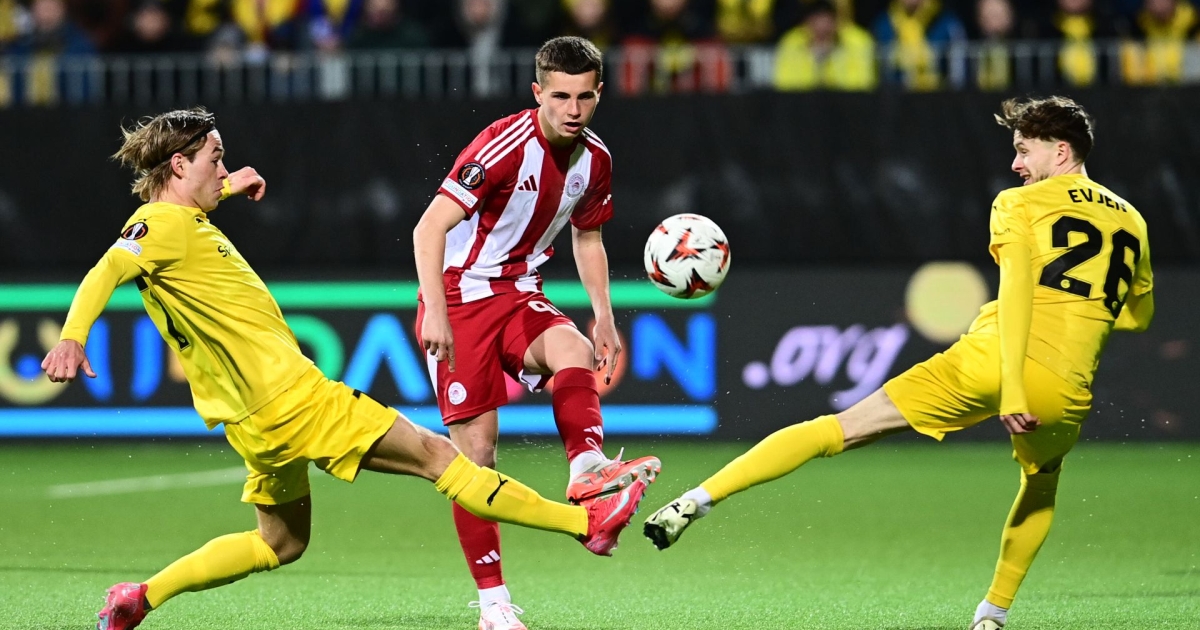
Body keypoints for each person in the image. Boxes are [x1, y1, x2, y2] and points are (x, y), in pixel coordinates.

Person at [41, 106, 647, 630]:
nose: (224, 169)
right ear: (179, 165)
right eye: (215, 160)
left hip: (250, 424)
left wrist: (227, 189)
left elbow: (167, 228)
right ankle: (585, 522)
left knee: (280, 543)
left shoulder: (181, 222)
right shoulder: (162, 225)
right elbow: (108, 267)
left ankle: (140, 597)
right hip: (295, 399)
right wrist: (72, 337)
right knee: (442, 458)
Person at [644, 95, 1154, 630]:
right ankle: (992, 615)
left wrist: (1013, 389)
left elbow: (1018, 292)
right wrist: (1082, 318)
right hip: (1066, 389)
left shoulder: (1018, 203)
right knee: (1041, 484)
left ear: (1061, 150)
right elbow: (1139, 317)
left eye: (1024, 150)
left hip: (990, 363)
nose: (1015, 163)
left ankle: (699, 499)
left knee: (837, 429)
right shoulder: (1133, 220)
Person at [413, 36, 660, 630]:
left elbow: (588, 236)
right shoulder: (502, 145)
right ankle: (493, 604)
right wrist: (436, 312)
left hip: (519, 289)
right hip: (459, 295)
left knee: (575, 348)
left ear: (599, 95)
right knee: (476, 458)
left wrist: (604, 313)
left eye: (584, 97)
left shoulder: (595, 158)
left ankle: (586, 471)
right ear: (537, 93)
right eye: (560, 97)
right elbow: (428, 228)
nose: (573, 109)